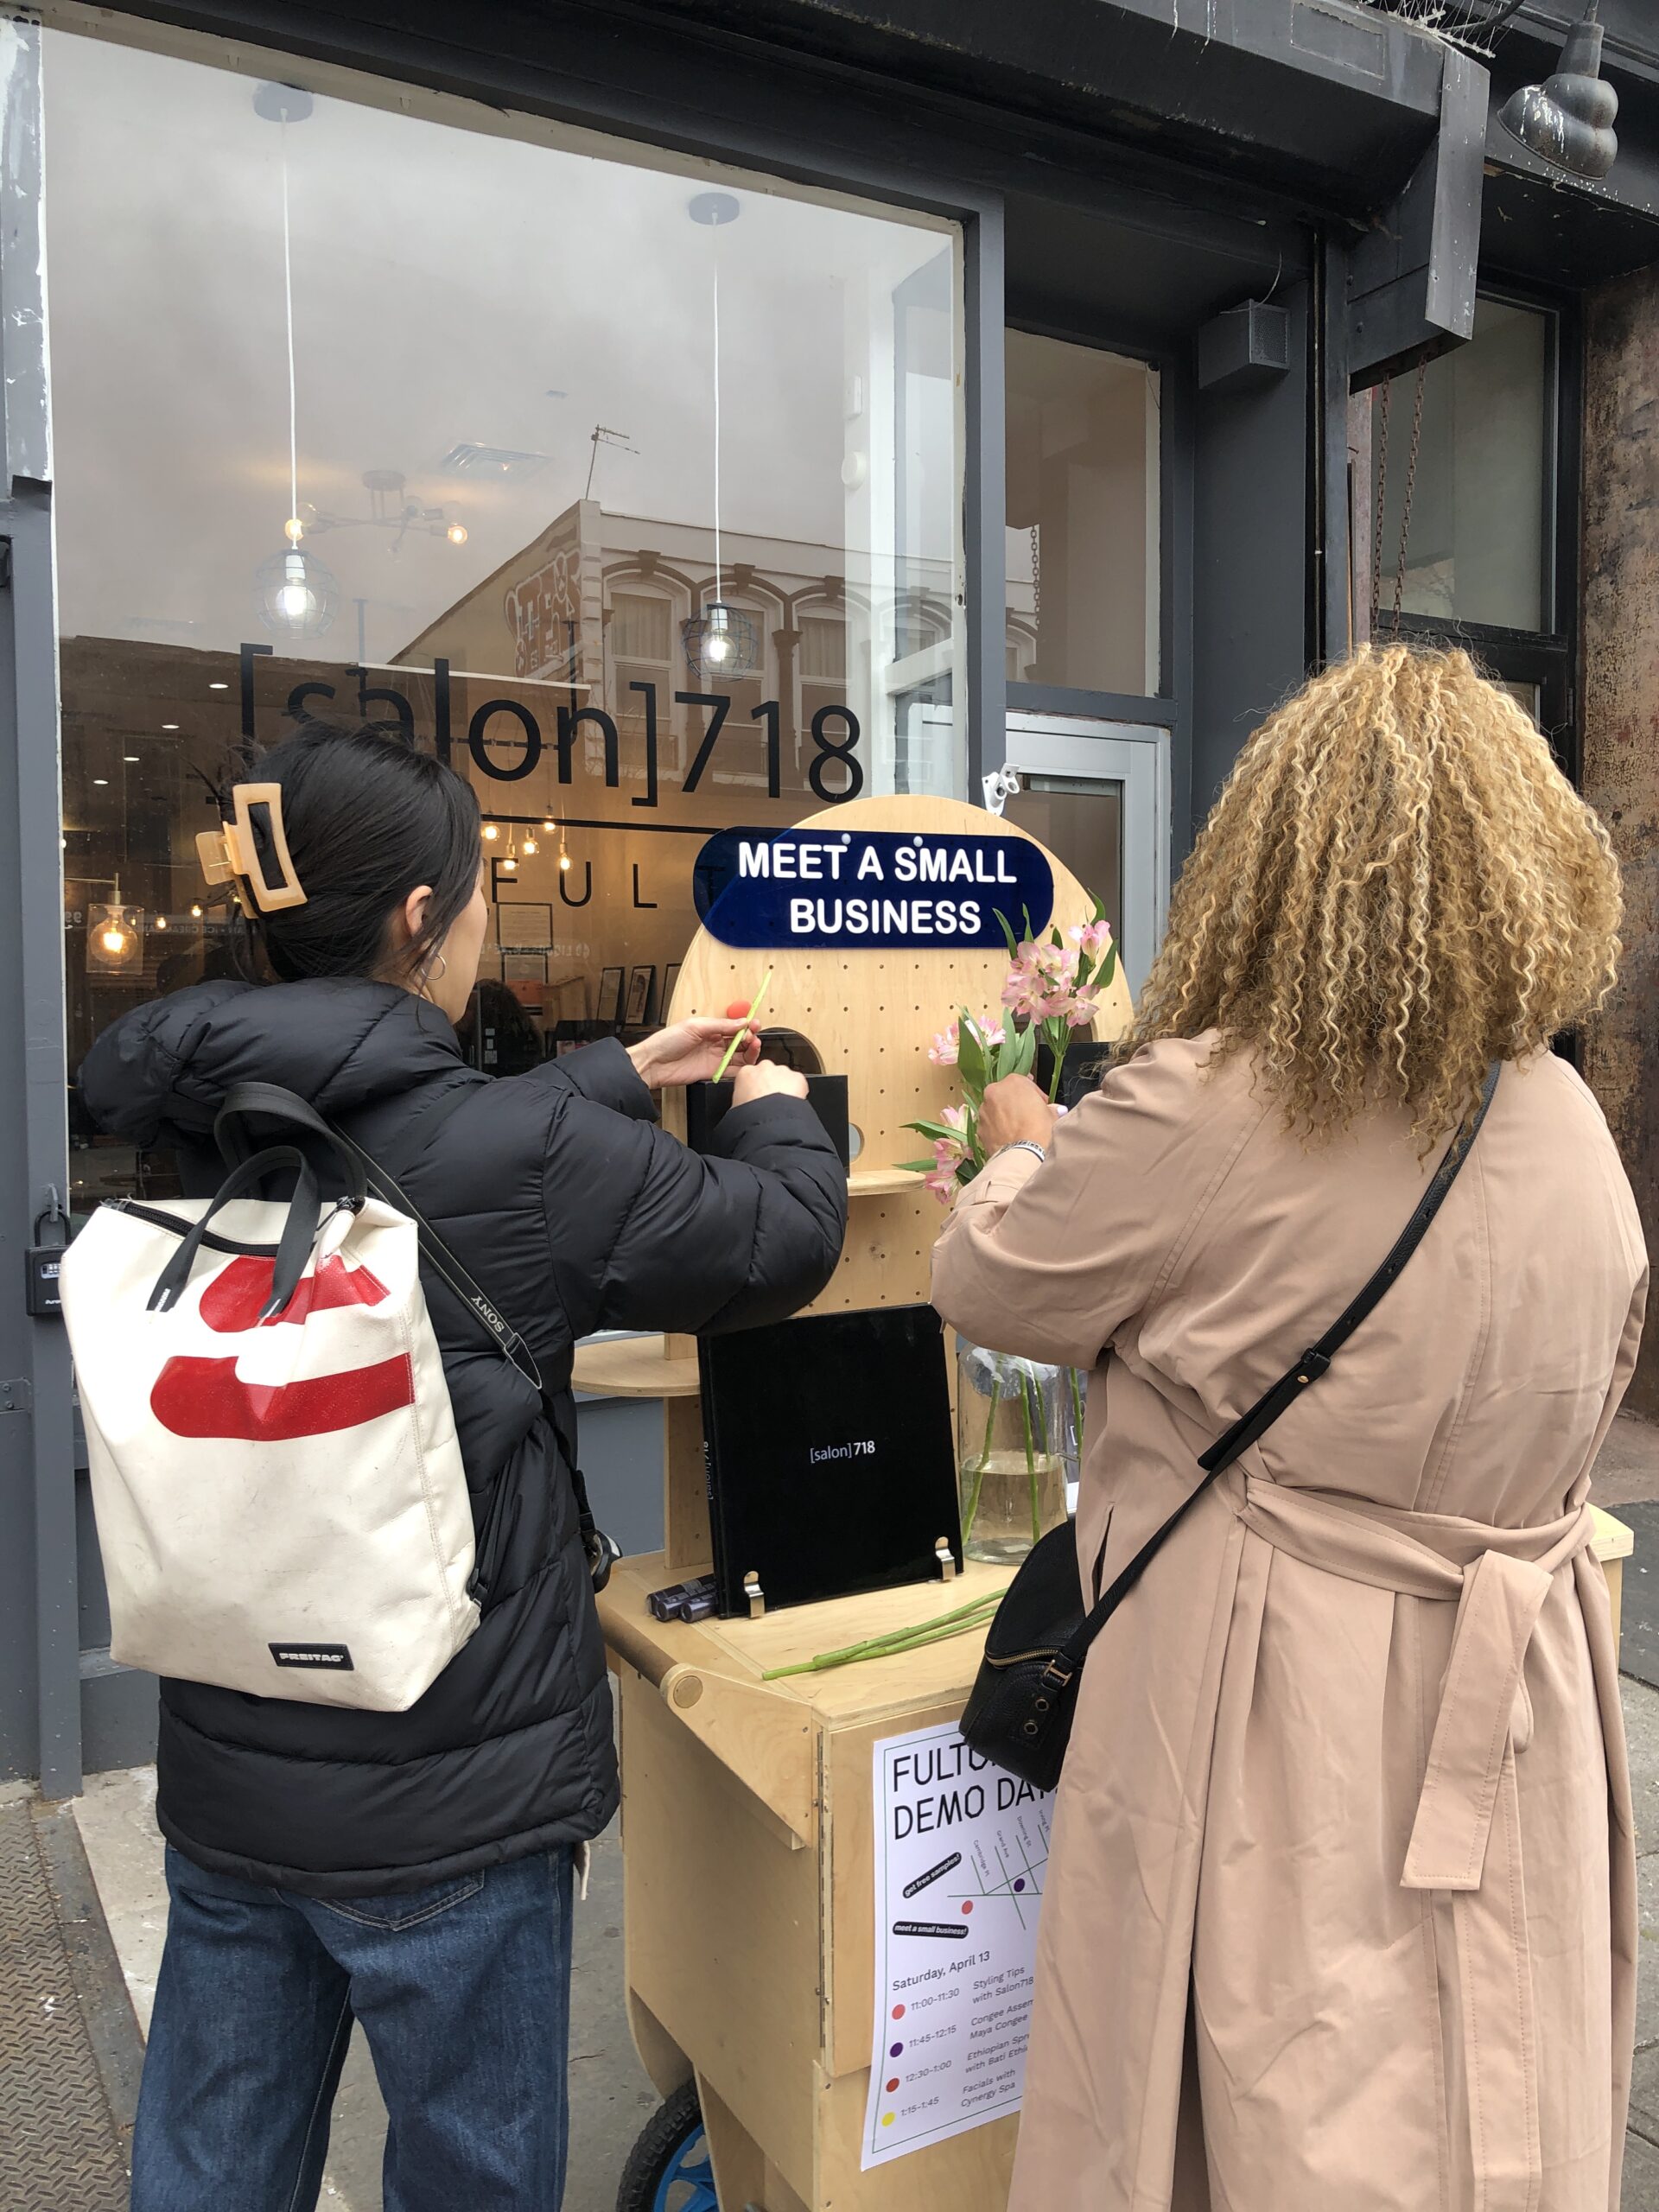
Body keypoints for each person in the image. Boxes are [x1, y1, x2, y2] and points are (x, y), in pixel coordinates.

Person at [79, 718, 847, 2212]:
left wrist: (615, 1075)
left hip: (235, 1768)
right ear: (425, 920)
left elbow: (414, 1135)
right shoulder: (522, 1159)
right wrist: (776, 1109)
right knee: (475, 2182)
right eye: (477, 887)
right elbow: (781, 1239)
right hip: (456, 1790)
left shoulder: (190, 1120)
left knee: (212, 2174)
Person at [931, 645, 1647, 2212]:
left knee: (1274, 2091)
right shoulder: (1565, 1119)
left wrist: (1016, 1148)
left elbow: (992, 1282)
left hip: (1277, 1699)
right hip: (1521, 1691)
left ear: (1276, 865)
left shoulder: (1212, 1105)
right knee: (1482, 2080)